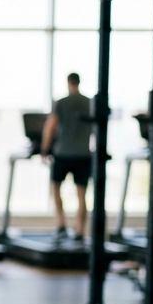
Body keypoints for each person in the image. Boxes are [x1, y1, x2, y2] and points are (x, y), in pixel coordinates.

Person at [41, 72, 94, 240]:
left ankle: (61, 224)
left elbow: (51, 126)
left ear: (68, 83)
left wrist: (44, 148)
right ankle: (79, 231)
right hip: (84, 154)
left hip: (63, 153)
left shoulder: (61, 103)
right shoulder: (89, 103)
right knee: (81, 193)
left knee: (55, 187)